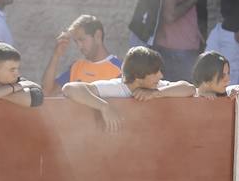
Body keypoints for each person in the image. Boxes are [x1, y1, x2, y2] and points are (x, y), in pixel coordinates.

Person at [62, 46, 195, 133]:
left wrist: (157, 94)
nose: (161, 76)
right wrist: (105, 107)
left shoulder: (155, 86)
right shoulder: (116, 87)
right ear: (138, 76)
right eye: (155, 72)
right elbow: (70, 88)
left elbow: (189, 88)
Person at [40, 14, 122, 96]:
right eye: (76, 42)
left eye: (82, 40)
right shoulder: (76, 67)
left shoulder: (120, 69)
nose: (79, 46)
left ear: (98, 36)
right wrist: (56, 55)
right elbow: (46, 92)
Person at [0, 42, 43, 108]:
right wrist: (14, 87)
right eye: (12, 70)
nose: (17, 74)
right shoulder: (18, 85)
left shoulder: (19, 82)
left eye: (17, 69)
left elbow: (36, 98)